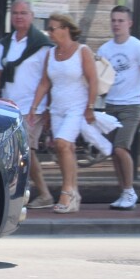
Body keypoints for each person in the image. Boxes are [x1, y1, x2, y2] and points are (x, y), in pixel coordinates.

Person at [29, 13, 112, 214]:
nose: (49, 32)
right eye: (48, 29)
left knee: (62, 143)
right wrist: (35, 108)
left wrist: (90, 107)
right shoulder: (51, 53)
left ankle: (66, 192)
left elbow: (93, 80)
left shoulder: (82, 51)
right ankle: (74, 193)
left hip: (77, 107)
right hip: (57, 108)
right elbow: (45, 83)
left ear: (66, 29)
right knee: (65, 150)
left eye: (52, 28)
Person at [0, 0, 53, 208]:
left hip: (33, 108)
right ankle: (19, 194)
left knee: (27, 151)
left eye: (23, 13)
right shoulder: (6, 44)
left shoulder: (42, 45)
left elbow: (49, 78)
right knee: (14, 153)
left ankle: (45, 194)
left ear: (32, 16)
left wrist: (47, 107)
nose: (19, 16)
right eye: (15, 13)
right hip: (9, 106)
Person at [96, 5, 140, 209]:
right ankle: (124, 192)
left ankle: (130, 191)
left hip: (132, 105)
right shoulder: (104, 49)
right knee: (113, 151)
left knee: (121, 148)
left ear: (129, 23)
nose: (116, 24)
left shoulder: (138, 47)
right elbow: (100, 78)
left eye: (121, 20)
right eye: (113, 20)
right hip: (111, 105)